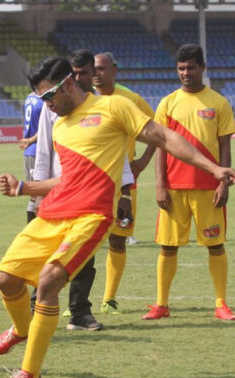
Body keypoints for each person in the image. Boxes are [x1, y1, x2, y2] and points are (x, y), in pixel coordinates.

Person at [0, 57, 235, 378]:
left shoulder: (114, 107)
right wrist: (24, 187)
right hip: (53, 213)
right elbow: (68, 180)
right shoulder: (60, 125)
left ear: (67, 84)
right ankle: (22, 328)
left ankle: (29, 375)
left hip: (91, 217)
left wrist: (212, 168)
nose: (46, 105)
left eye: (48, 97)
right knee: (6, 279)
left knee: (49, 281)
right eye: (41, 100)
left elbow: (163, 137)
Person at [144, 44, 235, 321]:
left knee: (215, 245)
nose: (186, 73)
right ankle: (161, 304)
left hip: (208, 188)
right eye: (181, 68)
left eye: (191, 67)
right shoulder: (167, 103)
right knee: (168, 246)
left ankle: (221, 303)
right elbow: (160, 146)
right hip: (174, 188)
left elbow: (225, 147)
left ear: (202, 68)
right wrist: (160, 184)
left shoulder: (218, 102)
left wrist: (224, 184)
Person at [32, 49, 122, 331]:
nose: (84, 77)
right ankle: (38, 310)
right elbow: (43, 154)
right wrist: (36, 195)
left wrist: (127, 190)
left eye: (87, 72)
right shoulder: (52, 107)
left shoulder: (106, 107)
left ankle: (80, 313)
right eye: (79, 72)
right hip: (57, 196)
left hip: (90, 198)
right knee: (45, 259)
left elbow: (117, 153)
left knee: (85, 259)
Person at [93, 52, 157, 315]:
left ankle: (109, 299)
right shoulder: (83, 99)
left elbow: (156, 131)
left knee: (118, 240)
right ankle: (77, 301)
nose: (97, 74)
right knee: (84, 243)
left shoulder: (129, 99)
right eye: (93, 69)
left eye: (102, 68)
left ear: (114, 70)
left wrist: (142, 161)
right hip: (90, 183)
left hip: (123, 183)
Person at [18, 92, 43, 222]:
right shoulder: (44, 100)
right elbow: (45, 128)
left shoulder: (29, 97)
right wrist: (31, 140)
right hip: (38, 150)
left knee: (34, 196)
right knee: (39, 195)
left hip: (29, 151)